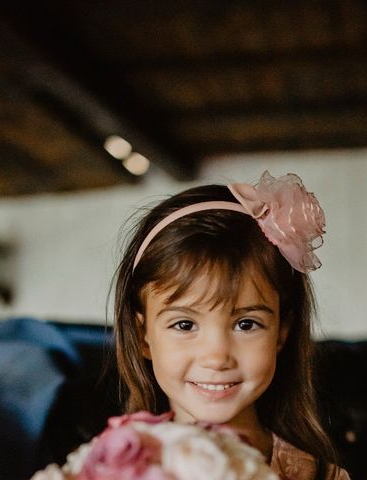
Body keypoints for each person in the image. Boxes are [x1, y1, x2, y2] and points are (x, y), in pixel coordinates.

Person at [113, 171, 350, 480]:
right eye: (185, 325)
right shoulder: (114, 470)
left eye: (246, 324)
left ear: (282, 331)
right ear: (143, 334)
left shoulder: (320, 478)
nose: (217, 357)